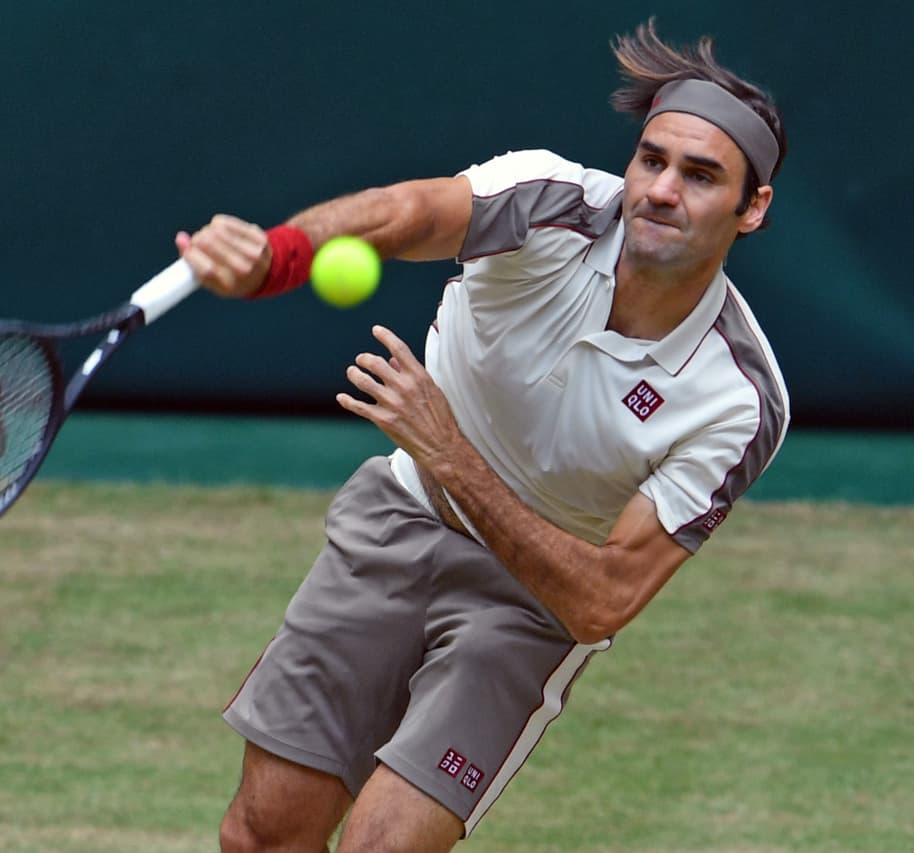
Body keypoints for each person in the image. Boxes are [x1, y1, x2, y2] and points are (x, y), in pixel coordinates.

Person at [176, 19, 790, 853]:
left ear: (752, 208)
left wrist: (450, 451)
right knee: (261, 834)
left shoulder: (737, 398)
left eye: (701, 175)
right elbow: (405, 212)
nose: (660, 189)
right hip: (396, 520)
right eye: (651, 160)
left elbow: (601, 600)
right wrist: (278, 258)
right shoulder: (546, 202)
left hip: (531, 604)